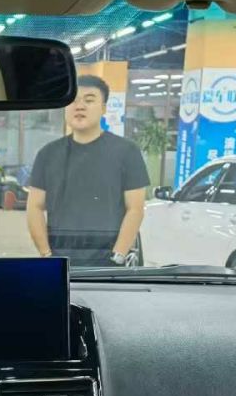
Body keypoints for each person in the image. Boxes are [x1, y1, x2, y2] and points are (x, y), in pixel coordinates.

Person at [26, 74, 150, 267]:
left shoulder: (126, 152)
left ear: (103, 108)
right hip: (60, 261)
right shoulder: (48, 154)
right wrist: (47, 255)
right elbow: (34, 206)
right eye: (73, 100)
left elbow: (135, 209)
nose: (80, 106)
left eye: (89, 100)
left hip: (108, 264)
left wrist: (118, 255)